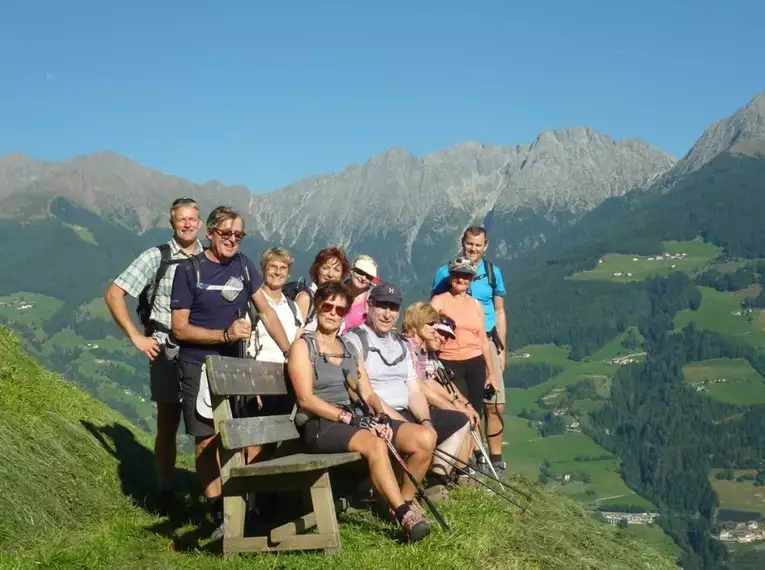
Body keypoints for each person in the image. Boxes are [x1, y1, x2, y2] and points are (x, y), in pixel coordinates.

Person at [170, 205, 291, 538]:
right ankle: (218, 510)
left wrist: (289, 350)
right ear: (210, 233)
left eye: (239, 235)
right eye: (226, 233)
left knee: (233, 439)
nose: (233, 240)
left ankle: (237, 508)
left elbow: (265, 311)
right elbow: (179, 329)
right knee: (205, 439)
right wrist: (223, 335)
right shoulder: (188, 271)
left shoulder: (244, 265)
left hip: (234, 368)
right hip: (198, 365)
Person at [288, 282, 431, 542]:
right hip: (321, 424)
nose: (333, 313)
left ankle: (401, 500)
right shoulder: (303, 346)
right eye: (327, 306)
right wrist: (349, 418)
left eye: (340, 309)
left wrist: (381, 415)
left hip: (355, 420)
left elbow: (369, 393)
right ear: (317, 308)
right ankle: (404, 515)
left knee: (423, 439)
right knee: (376, 444)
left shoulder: (349, 349)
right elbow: (306, 399)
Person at [104, 196, 203, 513]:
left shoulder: (210, 259)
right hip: (167, 349)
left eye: (192, 219)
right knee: (168, 423)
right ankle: (166, 492)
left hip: (202, 352)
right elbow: (114, 292)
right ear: (172, 223)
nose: (187, 224)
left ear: (200, 223)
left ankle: (209, 495)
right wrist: (135, 336)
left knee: (206, 426)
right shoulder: (155, 256)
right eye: (181, 219)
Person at [342, 283, 468, 495]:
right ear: (369, 305)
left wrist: (426, 421)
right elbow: (365, 393)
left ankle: (432, 482)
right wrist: (408, 424)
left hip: (405, 412)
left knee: (459, 421)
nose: (387, 313)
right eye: (382, 306)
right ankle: (403, 500)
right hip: (377, 416)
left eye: (393, 308)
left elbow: (414, 390)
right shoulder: (354, 340)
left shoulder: (400, 344)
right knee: (424, 438)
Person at [432, 226, 508, 471]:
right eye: (470, 244)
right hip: (453, 347)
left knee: (495, 404)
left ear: (486, 246)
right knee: (463, 404)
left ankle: (496, 460)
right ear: (463, 243)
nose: (473, 249)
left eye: (478, 245)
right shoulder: (445, 272)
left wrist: (503, 348)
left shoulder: (492, 273)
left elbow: (499, 311)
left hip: (485, 341)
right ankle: (474, 457)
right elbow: (432, 312)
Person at [400, 302, 475, 493]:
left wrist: (457, 402)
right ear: (418, 323)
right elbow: (420, 388)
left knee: (460, 418)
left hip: (413, 406)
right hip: (404, 408)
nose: (436, 329)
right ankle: (437, 482)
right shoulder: (405, 348)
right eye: (431, 324)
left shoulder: (420, 351)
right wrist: (454, 407)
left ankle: (446, 478)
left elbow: (428, 383)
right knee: (459, 420)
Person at [295, 247, 351, 333]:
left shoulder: (342, 302)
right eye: (325, 268)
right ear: (317, 270)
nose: (330, 274)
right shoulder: (306, 298)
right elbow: (294, 334)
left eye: (336, 270)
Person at [341, 254, 379, 333]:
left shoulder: (371, 299)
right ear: (352, 271)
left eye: (368, 277)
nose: (363, 278)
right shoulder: (337, 290)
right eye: (360, 272)